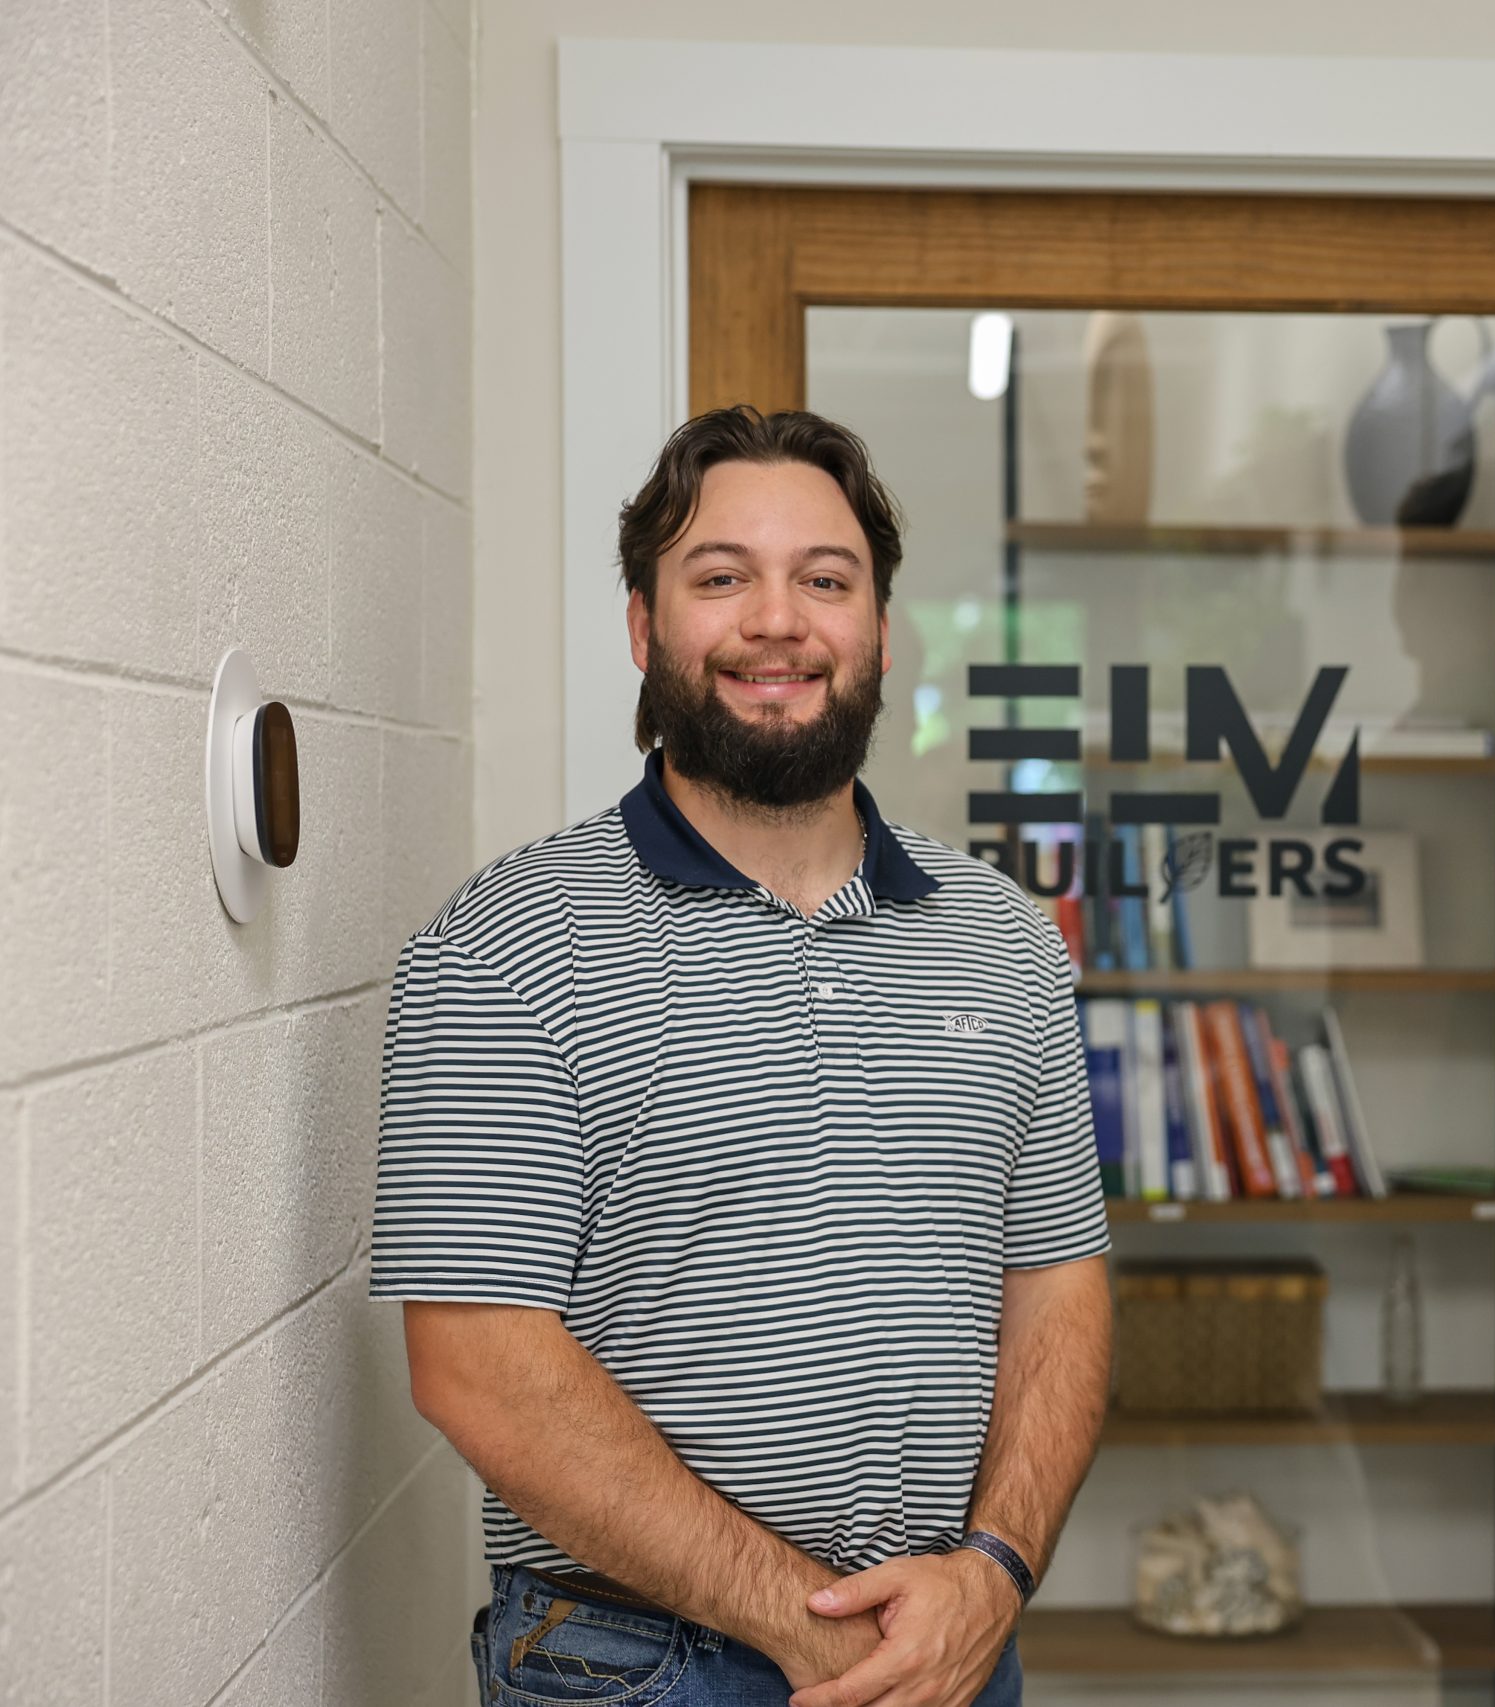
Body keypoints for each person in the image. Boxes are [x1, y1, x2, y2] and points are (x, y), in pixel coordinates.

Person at [371, 406, 1112, 1707]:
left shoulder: (1001, 940)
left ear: (880, 630)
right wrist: (806, 1625)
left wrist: (994, 1570)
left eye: (825, 580)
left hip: (951, 1643)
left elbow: (1056, 1294)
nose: (778, 620)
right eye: (722, 579)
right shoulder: (503, 947)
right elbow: (477, 1360)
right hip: (636, 1664)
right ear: (647, 632)